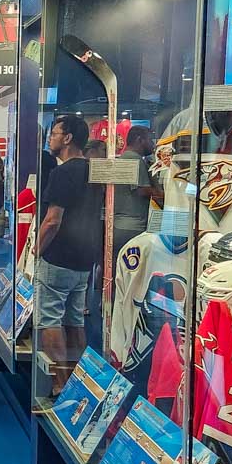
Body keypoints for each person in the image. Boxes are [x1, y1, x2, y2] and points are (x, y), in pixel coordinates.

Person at [36, 115, 102, 393]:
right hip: (84, 258)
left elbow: (53, 220)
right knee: (75, 319)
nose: (50, 137)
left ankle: (59, 384)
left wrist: (34, 251)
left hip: (59, 257)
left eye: (54, 132)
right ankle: (78, 383)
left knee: (49, 318)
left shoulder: (62, 173)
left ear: (68, 138)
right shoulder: (95, 171)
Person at [113, 125, 158, 263]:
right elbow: (142, 190)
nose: (153, 144)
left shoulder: (123, 158)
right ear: (140, 140)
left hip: (119, 225)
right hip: (133, 227)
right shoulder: (135, 160)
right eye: (150, 140)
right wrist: (165, 194)